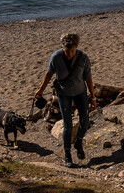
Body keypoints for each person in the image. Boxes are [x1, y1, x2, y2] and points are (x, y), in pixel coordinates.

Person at [34, 33, 97, 168]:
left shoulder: (83, 57)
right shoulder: (56, 57)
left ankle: (78, 142)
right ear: (63, 48)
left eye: (72, 51)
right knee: (68, 126)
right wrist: (40, 90)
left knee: (85, 122)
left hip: (81, 93)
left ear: (76, 48)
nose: (69, 54)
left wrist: (93, 96)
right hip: (64, 94)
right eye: (67, 51)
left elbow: (88, 77)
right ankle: (67, 154)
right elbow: (49, 74)